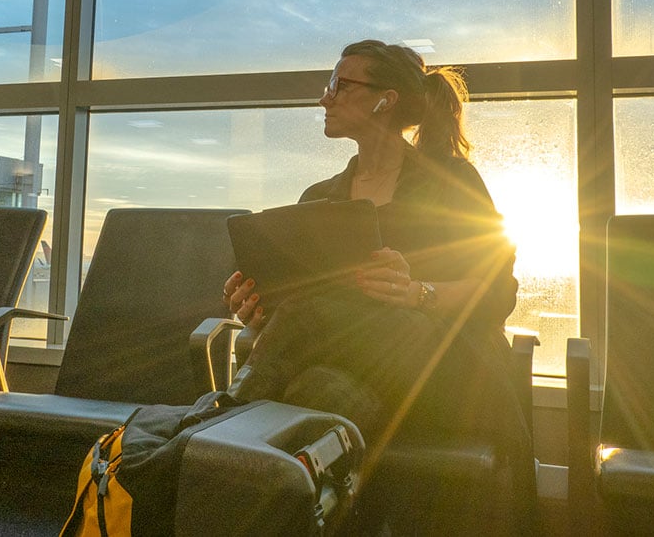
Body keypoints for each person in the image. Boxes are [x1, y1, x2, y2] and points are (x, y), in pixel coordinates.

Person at [221, 39, 520, 449]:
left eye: (340, 85)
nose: (325, 98)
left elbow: (498, 292)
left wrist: (415, 292)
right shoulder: (319, 198)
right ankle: (235, 456)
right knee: (317, 390)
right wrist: (259, 308)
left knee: (304, 317)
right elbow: (298, 303)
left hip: (439, 365)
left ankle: (215, 420)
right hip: (351, 371)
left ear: (386, 100)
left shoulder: (451, 182)